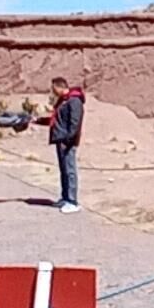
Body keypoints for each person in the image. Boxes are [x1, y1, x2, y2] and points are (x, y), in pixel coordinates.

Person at [48, 76, 84, 213]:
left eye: (53, 88)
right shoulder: (63, 101)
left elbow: (74, 124)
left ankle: (72, 201)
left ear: (59, 87)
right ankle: (65, 197)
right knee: (63, 170)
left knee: (70, 171)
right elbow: (56, 121)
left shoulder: (74, 101)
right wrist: (36, 120)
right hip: (60, 140)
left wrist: (68, 141)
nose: (52, 91)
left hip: (67, 142)